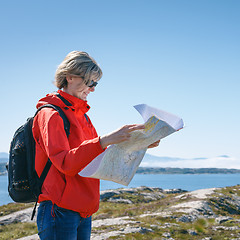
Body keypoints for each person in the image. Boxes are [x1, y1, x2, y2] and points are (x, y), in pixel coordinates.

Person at [32, 51, 159, 239]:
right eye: (89, 82)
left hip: (83, 209)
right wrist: (104, 140)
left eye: (95, 83)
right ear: (70, 77)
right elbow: (65, 162)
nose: (92, 89)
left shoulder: (82, 115)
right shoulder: (51, 114)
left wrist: (137, 144)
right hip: (59, 209)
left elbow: (94, 157)